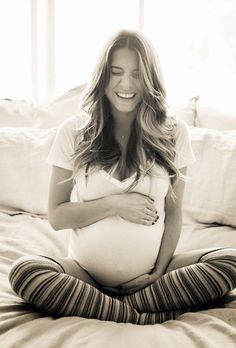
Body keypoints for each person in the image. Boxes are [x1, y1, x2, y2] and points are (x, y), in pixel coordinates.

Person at [9, 29, 236, 325]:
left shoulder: (173, 131)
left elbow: (174, 212)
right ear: (102, 77)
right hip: (84, 275)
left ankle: (108, 308)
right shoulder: (74, 133)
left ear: (150, 79)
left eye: (137, 74)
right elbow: (57, 216)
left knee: (230, 261)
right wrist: (115, 204)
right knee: (26, 271)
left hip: (152, 278)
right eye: (116, 72)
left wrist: (159, 271)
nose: (126, 83)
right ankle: (142, 313)